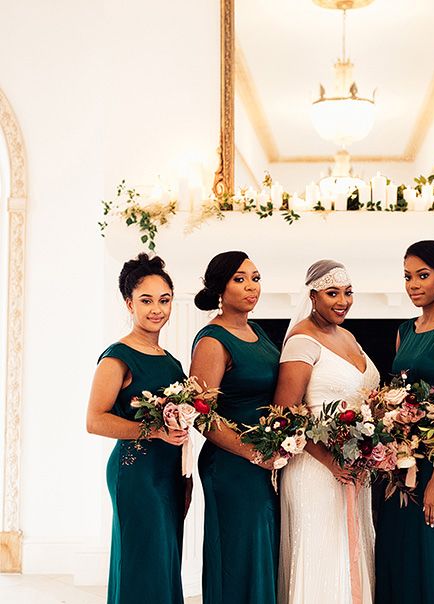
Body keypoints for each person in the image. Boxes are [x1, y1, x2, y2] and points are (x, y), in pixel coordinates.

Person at [273, 260, 380, 604]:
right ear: (313, 296)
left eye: (348, 293)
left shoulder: (347, 335)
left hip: (352, 465)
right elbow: (286, 414)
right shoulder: (301, 340)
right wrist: (330, 460)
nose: (343, 301)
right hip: (316, 468)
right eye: (332, 293)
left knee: (352, 549)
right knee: (323, 552)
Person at [86, 253, 188, 604]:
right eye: (146, 301)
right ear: (129, 303)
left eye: (164, 300)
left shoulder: (172, 362)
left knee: (164, 563)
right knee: (141, 563)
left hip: (169, 474)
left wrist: (185, 474)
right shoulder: (117, 356)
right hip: (136, 473)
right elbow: (95, 420)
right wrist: (154, 432)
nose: (156, 309)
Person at [375, 240, 434, 604]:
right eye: (407, 277)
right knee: (397, 553)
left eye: (422, 275)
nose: (413, 284)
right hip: (398, 462)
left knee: (431, 556)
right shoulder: (405, 329)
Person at [190, 251, 280, 604]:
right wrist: (252, 451)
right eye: (240, 279)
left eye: (255, 278)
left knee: (259, 551)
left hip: (262, 462)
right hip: (230, 464)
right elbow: (200, 414)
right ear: (220, 288)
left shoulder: (255, 330)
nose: (250, 287)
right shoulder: (213, 340)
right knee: (237, 555)